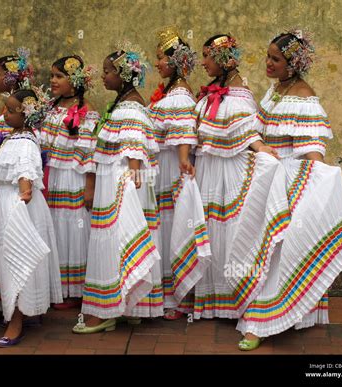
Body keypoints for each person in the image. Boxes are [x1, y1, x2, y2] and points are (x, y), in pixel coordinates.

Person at [236, 29, 342, 350]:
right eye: (268, 56)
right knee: (266, 248)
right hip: (269, 180)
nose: (268, 63)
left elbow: (314, 154)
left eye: (275, 59)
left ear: (294, 63)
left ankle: (263, 323)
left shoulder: (304, 98)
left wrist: (309, 195)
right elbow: (254, 129)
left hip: (291, 184)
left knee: (282, 250)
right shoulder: (276, 90)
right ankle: (285, 314)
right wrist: (261, 146)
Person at [193, 34, 285, 322]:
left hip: (229, 171)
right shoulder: (214, 91)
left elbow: (246, 130)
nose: (203, 62)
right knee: (211, 228)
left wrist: (261, 149)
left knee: (230, 228)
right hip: (210, 170)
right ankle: (213, 298)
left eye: (208, 56)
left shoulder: (238, 94)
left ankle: (236, 298)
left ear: (222, 60)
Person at [72, 42, 161, 333]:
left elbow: (134, 148)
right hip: (119, 179)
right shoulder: (124, 106)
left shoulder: (131, 109)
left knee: (115, 237)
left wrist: (132, 180)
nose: (103, 76)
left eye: (108, 71)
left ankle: (107, 309)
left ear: (123, 76)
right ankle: (128, 305)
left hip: (121, 182)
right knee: (119, 237)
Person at [0, 88, 63, 347]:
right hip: (7, 201)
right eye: (6, 108)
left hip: (18, 205)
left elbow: (26, 172)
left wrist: (24, 193)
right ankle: (21, 310)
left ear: (27, 114)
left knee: (17, 258)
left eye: (10, 111)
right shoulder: (14, 137)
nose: (4, 114)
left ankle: (17, 320)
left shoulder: (26, 141)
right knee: (11, 257)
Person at [147, 26, 200, 319]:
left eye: (160, 58)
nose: (157, 64)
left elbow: (182, 131)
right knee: (165, 226)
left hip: (171, 166)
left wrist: (182, 164)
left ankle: (179, 295)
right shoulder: (169, 91)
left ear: (175, 61)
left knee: (173, 226)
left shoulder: (179, 94)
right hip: (164, 164)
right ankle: (168, 291)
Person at [41, 56, 99, 309]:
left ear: (74, 82)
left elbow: (89, 151)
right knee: (55, 227)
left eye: (59, 76)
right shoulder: (49, 108)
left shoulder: (86, 112)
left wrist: (90, 186)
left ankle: (75, 289)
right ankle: (58, 286)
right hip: (52, 176)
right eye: (52, 76)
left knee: (74, 230)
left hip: (72, 176)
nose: (53, 81)